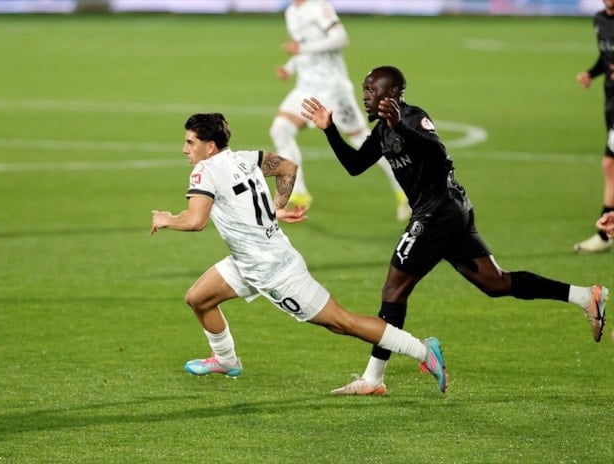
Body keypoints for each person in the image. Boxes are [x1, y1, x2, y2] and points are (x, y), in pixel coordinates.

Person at [300, 66, 609, 396]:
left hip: (438, 212)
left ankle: (374, 378)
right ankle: (585, 297)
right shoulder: (381, 131)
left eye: (370, 89)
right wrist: (330, 130)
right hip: (446, 212)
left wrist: (400, 127)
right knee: (495, 282)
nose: (365, 96)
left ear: (391, 94)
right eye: (364, 89)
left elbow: (437, 153)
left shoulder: (413, 118)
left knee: (394, 289)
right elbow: (355, 165)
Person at [150, 112, 447, 394]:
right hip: (249, 261)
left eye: (190, 142)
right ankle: (226, 360)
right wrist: (275, 210)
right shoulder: (246, 158)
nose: (185, 149)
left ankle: (423, 350)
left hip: (275, 272)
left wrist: (167, 219)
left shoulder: (204, 171)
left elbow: (196, 221)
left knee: (341, 322)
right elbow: (287, 167)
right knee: (198, 298)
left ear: (210, 147)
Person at [270, 0, 410, 221]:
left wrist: (302, 49)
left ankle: (405, 189)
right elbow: (302, 46)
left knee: (363, 142)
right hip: (305, 89)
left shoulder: (319, 7)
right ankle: (299, 193)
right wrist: (289, 68)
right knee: (280, 130)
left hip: (333, 90)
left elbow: (340, 38)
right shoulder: (291, 12)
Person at [574, 0, 614, 253]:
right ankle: (606, 232)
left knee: (610, 164)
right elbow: (606, 58)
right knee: (611, 166)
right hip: (610, 99)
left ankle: (604, 234)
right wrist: (591, 73)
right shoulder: (599, 20)